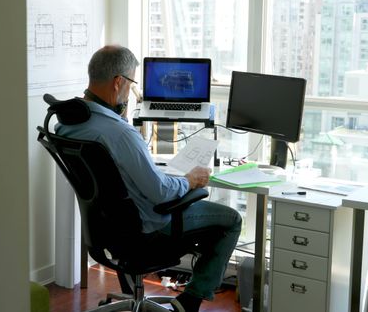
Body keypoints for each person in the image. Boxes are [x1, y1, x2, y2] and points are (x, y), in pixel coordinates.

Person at [56, 45, 242, 312]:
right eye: (131, 83)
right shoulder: (120, 134)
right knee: (232, 220)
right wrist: (190, 180)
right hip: (147, 227)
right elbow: (160, 192)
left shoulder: (68, 123)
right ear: (118, 82)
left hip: (104, 231)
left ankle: (133, 293)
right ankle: (190, 301)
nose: (132, 92)